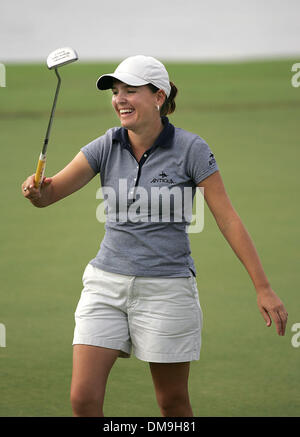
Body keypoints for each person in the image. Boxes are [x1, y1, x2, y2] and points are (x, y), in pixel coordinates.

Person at [22, 55, 288, 417]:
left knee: (172, 403)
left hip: (167, 289)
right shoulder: (107, 144)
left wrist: (262, 286)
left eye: (131, 91)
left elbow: (227, 218)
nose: (120, 99)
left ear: (159, 96)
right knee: (83, 398)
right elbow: (50, 194)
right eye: (116, 92)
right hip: (106, 284)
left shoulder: (191, 149)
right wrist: (38, 191)